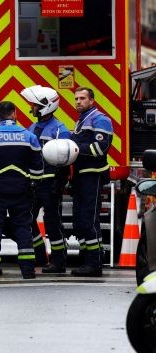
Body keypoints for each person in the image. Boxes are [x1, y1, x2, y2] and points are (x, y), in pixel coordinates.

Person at [0, 101, 44, 280]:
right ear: (14, 114)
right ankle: (28, 271)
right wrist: (33, 187)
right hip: (21, 191)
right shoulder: (29, 136)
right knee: (23, 229)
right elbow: (38, 169)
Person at [21, 85, 71, 273]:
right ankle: (40, 255)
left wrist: (60, 184)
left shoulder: (60, 130)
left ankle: (59, 262)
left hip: (51, 184)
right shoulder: (33, 127)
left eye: (34, 105)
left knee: (52, 224)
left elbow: (66, 162)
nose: (31, 108)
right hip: (34, 183)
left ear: (45, 106)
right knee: (26, 219)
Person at [69, 87, 113, 277]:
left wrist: (73, 147)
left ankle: (94, 264)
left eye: (82, 98)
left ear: (92, 101)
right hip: (81, 177)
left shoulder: (100, 119)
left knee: (89, 220)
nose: (78, 101)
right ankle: (86, 259)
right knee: (80, 221)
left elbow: (100, 148)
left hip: (92, 176)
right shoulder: (82, 120)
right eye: (76, 98)